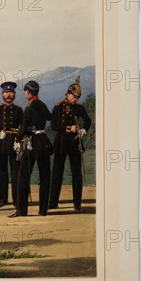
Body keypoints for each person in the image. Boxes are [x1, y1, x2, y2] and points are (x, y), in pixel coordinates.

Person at [49, 76, 92, 212]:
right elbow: (54, 126)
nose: (75, 98)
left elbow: (88, 121)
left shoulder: (79, 108)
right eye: (73, 95)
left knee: (76, 174)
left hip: (74, 144)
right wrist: (68, 128)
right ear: (67, 94)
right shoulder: (57, 107)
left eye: (76, 97)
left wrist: (83, 130)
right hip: (61, 142)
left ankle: (77, 204)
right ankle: (53, 202)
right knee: (57, 173)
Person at [12, 80, 53, 217]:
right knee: (45, 177)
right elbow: (49, 117)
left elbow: (23, 128)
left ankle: (22, 211)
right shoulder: (42, 104)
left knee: (23, 176)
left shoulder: (29, 107)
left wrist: (17, 138)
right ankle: (43, 210)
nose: (24, 94)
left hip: (33, 143)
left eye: (25, 92)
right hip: (44, 141)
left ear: (28, 92)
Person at [0, 81, 23, 208]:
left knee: (15, 172)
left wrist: (19, 140)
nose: (8, 95)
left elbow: (23, 127)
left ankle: (16, 200)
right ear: (3, 94)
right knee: (1, 172)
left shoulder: (19, 110)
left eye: (11, 92)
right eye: (6, 92)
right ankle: (3, 200)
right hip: (0, 143)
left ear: (14, 94)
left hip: (14, 143)